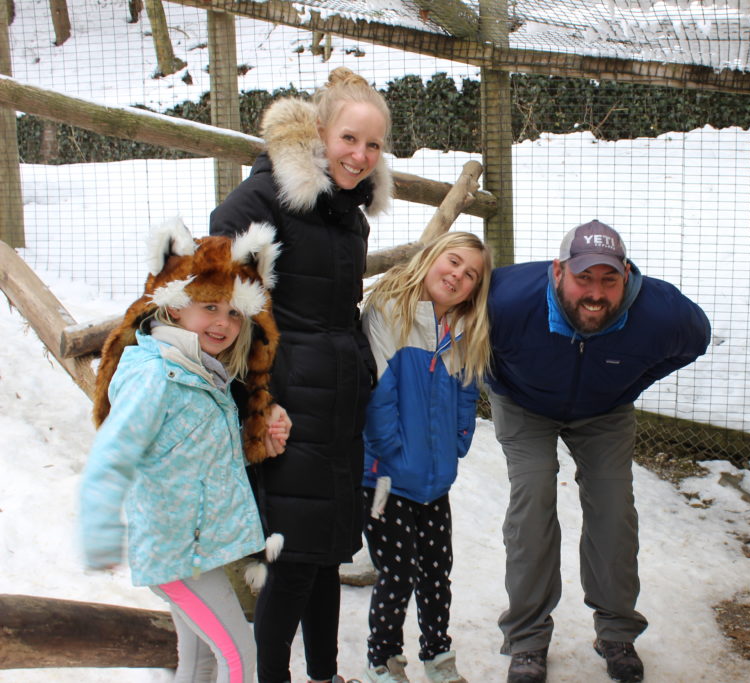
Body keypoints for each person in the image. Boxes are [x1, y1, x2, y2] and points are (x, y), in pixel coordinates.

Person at [209, 66, 393, 683]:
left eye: (373, 145)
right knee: (291, 556)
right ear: (319, 132)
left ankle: (323, 674)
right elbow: (217, 270)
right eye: (349, 139)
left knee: (324, 551)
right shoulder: (271, 194)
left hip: (337, 401)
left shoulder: (349, 212)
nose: (361, 155)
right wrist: (256, 392)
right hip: (290, 400)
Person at [486, 220, 711, 683]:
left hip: (604, 411)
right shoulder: (505, 300)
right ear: (557, 272)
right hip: (524, 404)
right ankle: (527, 640)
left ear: (626, 275)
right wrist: (500, 381)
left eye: (609, 279)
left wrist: (626, 384)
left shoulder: (663, 314)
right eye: (583, 277)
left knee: (613, 511)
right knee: (532, 502)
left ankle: (616, 632)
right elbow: (460, 337)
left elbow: (696, 341)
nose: (596, 292)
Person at [80, 219, 288, 683]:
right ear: (174, 308)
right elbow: (114, 449)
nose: (224, 322)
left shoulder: (202, 374)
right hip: (178, 554)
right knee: (241, 659)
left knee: (200, 661)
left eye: (235, 312)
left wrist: (259, 433)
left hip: (194, 551)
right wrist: (99, 525)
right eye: (209, 306)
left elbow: (192, 450)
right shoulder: (154, 374)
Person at [359, 232, 492, 683]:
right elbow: (378, 392)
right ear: (432, 258)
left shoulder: (462, 329)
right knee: (398, 573)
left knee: (437, 574)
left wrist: (457, 443)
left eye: (470, 273)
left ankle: (437, 655)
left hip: (436, 480)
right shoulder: (390, 311)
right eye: (452, 262)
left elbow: (466, 392)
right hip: (385, 479)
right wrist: (391, 451)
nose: (457, 275)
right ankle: (383, 660)